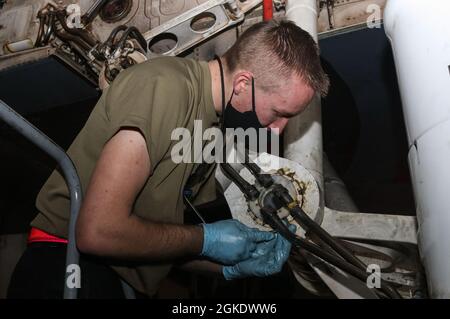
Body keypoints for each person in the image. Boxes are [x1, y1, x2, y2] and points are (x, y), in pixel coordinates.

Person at [8, 20, 329, 298]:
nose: (276, 131)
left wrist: (231, 267)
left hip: (116, 279)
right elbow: (97, 231)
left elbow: (159, 238)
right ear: (244, 84)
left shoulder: (213, 132)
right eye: (277, 114)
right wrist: (205, 239)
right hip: (66, 266)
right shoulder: (165, 87)